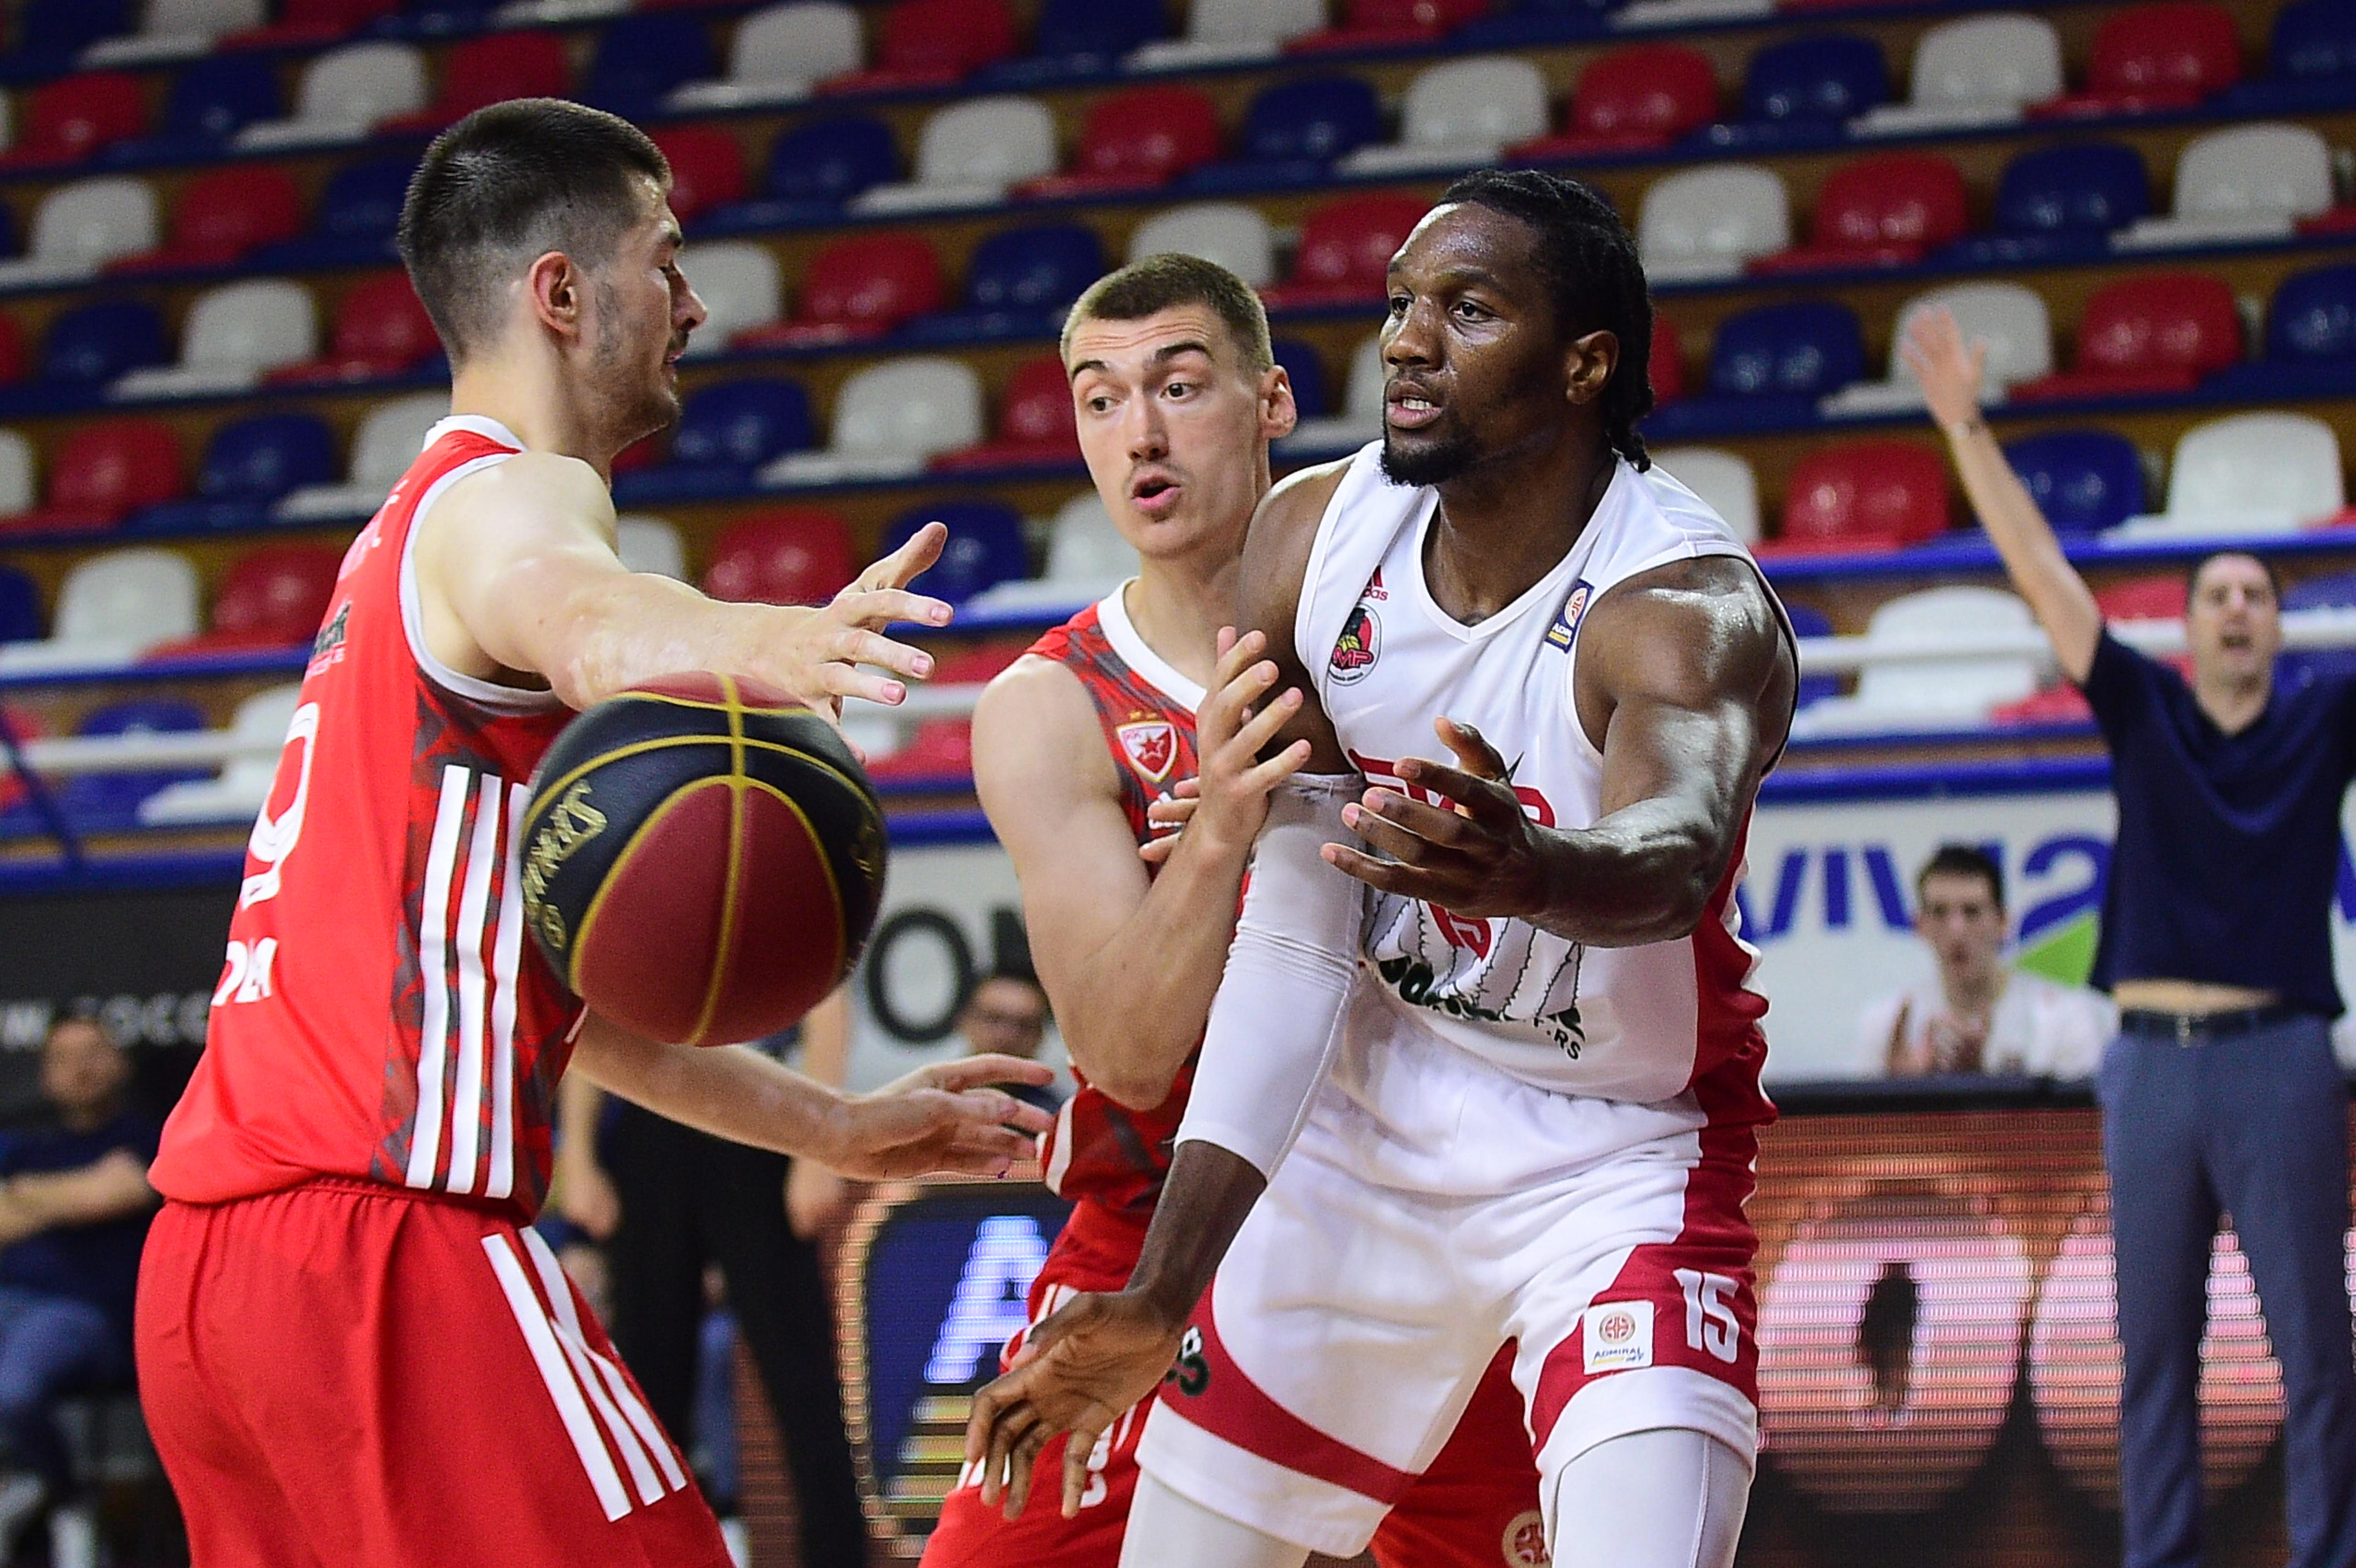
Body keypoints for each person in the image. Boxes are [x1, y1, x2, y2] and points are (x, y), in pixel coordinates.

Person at [133, 98, 1054, 1568]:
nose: (694, 303)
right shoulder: (512, 494)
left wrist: (834, 1124)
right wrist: (764, 636)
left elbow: (556, 1014)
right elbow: (584, 616)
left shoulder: (396, 552)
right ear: (561, 294)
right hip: (387, 1252)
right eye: (666, 258)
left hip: (214, 1281)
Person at [967, 170, 1799, 1568]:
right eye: (1401, 305)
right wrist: (1164, 1286)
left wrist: (1531, 865)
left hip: (1612, 1158)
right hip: (1363, 1139)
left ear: (1584, 362)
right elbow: (1292, 948)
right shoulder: (1308, 547)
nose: (1406, 340)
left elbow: (1674, 854)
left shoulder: (1682, 600)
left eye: (1465, 311)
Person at [927, 252, 1549, 1568]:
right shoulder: (1049, 708)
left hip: (1416, 1217)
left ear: (1272, 403)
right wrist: (1219, 834)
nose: (1139, 432)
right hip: (1164, 1233)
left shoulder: (1426, 628)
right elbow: (1128, 1051)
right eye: (1099, 400)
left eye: (1181, 386)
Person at [1901, 308, 2356, 1568]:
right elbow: (2045, 572)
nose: (2236, 612)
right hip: (2150, 1063)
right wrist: (1963, 427)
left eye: (2258, 596)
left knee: (2318, 1349)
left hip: (2283, 1060)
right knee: (2152, 1352)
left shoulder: (2325, 724)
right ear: (2189, 623)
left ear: (2279, 624)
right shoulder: (2145, 709)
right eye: (2216, 595)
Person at [558, 987, 871, 1567]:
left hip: (761, 1125)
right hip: (651, 1126)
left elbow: (826, 1003)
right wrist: (577, 1154)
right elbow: (598, 1010)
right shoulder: (631, 902)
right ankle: (649, 1555)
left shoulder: (782, 897)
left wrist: (819, 1152)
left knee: (800, 1376)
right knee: (648, 1382)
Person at [0, 1018, 159, 1539]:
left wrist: (24, 1195)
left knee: (15, 1391)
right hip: (9, 1303)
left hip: (90, 1317)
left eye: (93, 1052)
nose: (81, 1068)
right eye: (64, 1058)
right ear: (45, 1074)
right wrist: (76, 1194)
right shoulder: (26, 1148)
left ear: (120, 1062)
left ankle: (66, 1500)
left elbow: (121, 1191)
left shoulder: (146, 1135)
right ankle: (31, 1482)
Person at [1858, 843, 2113, 1078]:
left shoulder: (2063, 1017)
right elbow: (1860, 1125)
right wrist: (1903, 1091)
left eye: (1972, 912)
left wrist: (1978, 1080)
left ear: (2003, 922)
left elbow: (2080, 1124)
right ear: (1920, 926)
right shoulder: (1885, 1024)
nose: (1956, 930)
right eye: (1939, 913)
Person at [953, 969, 1063, 1116]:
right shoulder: (929, 1102)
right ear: (964, 1021)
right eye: (994, 1019)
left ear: (1041, 1036)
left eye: (1024, 1025)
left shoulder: (1054, 1119)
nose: (1007, 1036)